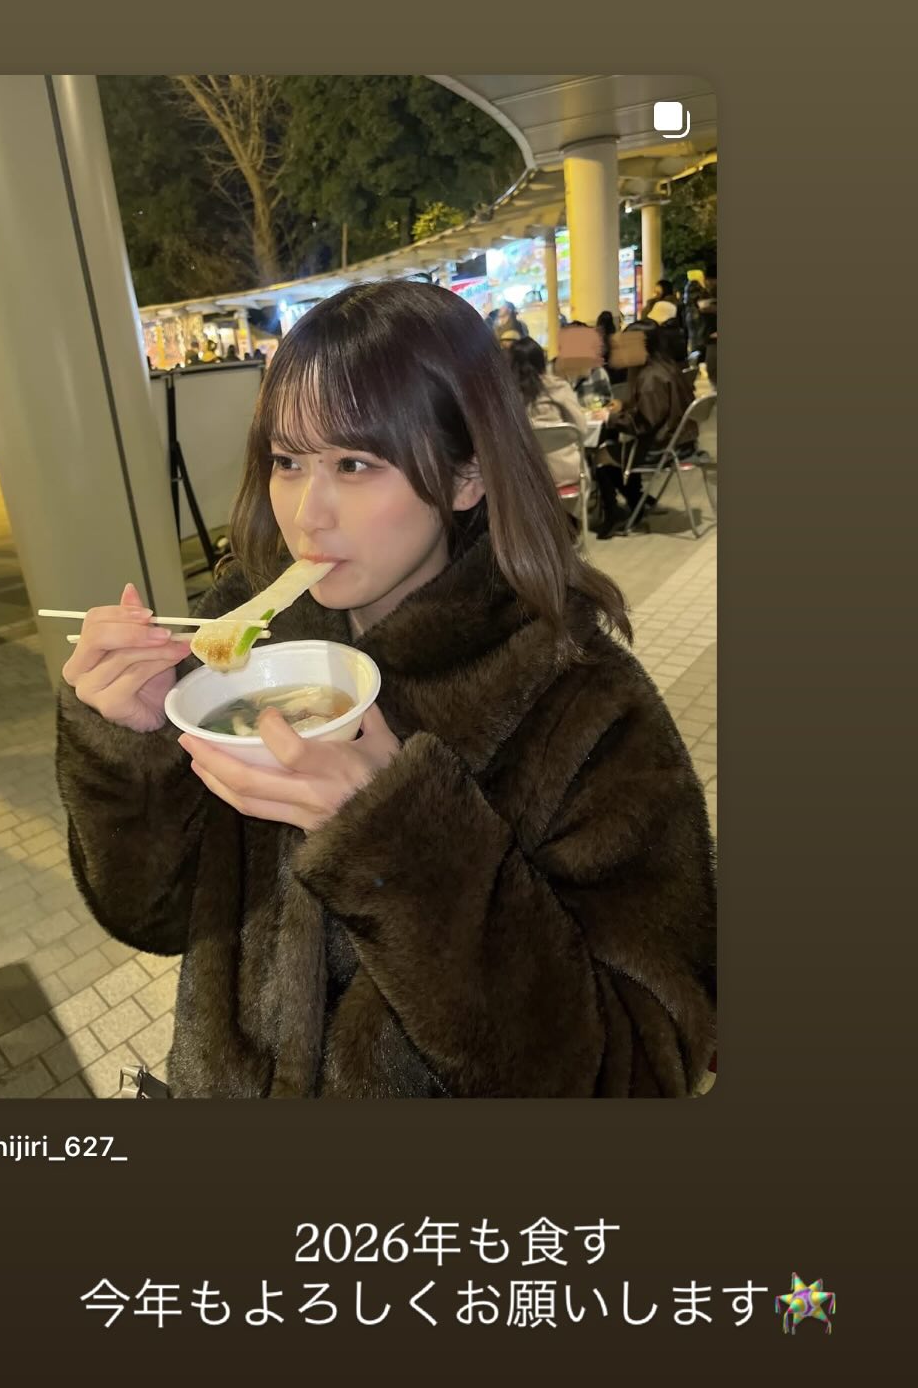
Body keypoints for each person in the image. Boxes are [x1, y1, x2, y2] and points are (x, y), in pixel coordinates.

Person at [57, 281, 715, 1098]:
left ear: (468, 475)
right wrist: (129, 749)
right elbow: (151, 915)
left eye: (355, 464)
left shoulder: (582, 705)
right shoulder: (249, 649)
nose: (308, 515)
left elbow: (643, 1069)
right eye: (288, 462)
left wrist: (401, 845)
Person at [593, 323, 698, 535]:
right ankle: (638, 501)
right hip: (682, 443)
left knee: (600, 456)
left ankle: (618, 513)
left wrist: (610, 418)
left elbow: (642, 424)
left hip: (661, 448)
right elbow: (654, 410)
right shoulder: (667, 367)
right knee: (621, 449)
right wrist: (624, 406)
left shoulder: (650, 378)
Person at [506, 337, 588, 499]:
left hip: (526, 476)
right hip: (565, 472)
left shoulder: (507, 396)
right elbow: (581, 429)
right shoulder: (557, 387)